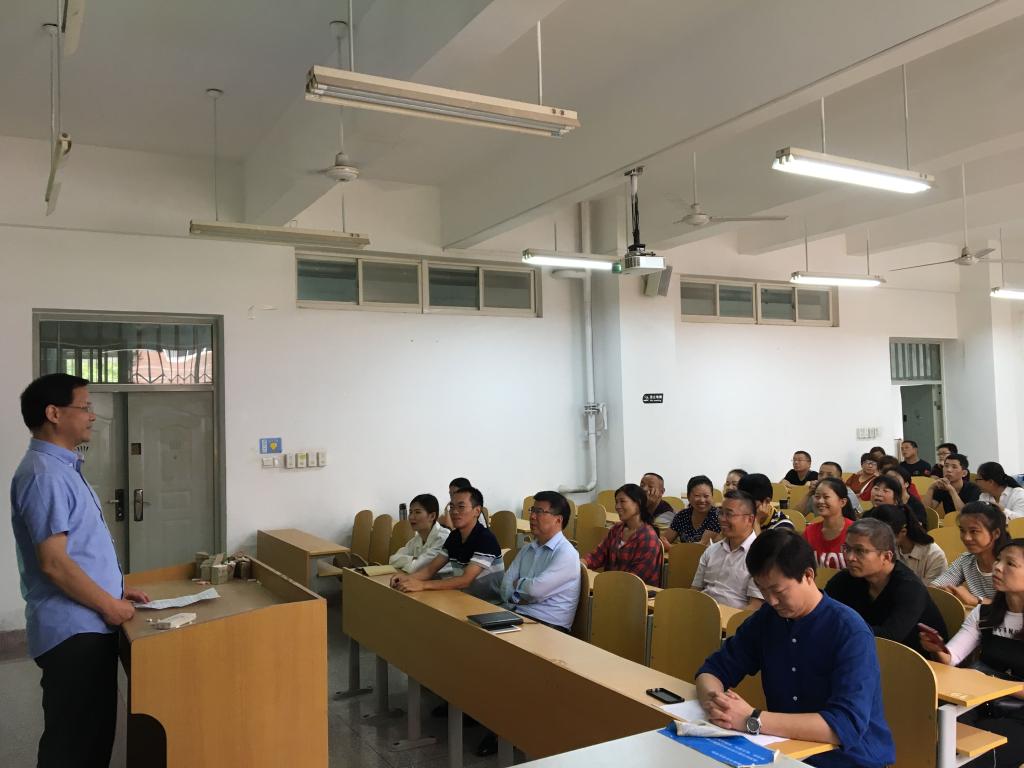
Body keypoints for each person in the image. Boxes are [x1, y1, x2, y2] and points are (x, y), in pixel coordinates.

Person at [10, 374, 151, 768]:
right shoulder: (45, 474)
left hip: (86, 622)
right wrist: (108, 604)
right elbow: (54, 563)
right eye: (85, 407)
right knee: (74, 747)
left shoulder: (63, 468)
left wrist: (114, 590)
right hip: (74, 631)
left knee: (91, 739)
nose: (92, 416)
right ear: (54, 414)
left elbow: (79, 550)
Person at [695, 529, 896, 768]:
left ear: (808, 575)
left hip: (849, 760)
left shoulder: (850, 631)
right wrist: (718, 704)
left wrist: (752, 718)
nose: (771, 600)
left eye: (778, 591)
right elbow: (712, 671)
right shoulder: (767, 619)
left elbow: (844, 726)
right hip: (787, 751)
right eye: (762, 590)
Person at [920, 538, 1024, 768]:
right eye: (998, 560)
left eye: (1010, 563)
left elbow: (982, 680)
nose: (997, 567)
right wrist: (938, 650)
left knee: (973, 759)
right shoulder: (984, 613)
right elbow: (952, 658)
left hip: (1018, 715)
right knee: (932, 742)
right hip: (980, 703)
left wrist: (990, 683)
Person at [824, 518, 947, 654]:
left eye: (860, 551)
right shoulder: (845, 579)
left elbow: (890, 637)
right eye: (847, 548)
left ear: (886, 557)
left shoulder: (910, 588)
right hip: (861, 651)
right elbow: (821, 611)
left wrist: (837, 629)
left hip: (911, 660)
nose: (849, 557)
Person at [391, 486, 503, 600]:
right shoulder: (454, 537)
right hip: (463, 598)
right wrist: (407, 578)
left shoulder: (485, 538)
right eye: (452, 507)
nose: (454, 511)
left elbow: (465, 580)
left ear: (477, 511)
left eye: (461, 507)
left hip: (489, 604)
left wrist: (422, 585)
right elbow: (430, 570)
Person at [499, 491, 581, 631]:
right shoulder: (527, 549)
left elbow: (535, 590)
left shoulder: (566, 553)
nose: (532, 516)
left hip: (548, 625)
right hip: (517, 615)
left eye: (539, 512)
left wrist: (518, 584)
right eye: (532, 510)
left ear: (558, 520)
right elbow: (505, 586)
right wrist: (521, 596)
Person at [692, 491, 764, 610]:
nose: (722, 519)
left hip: (735, 619)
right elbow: (695, 591)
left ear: (750, 519)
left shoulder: (760, 556)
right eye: (721, 513)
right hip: (702, 613)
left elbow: (755, 606)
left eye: (729, 514)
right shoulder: (712, 550)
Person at [932, 501, 1010, 607]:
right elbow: (935, 587)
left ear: (996, 533)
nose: (966, 538)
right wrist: (944, 592)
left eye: (974, 531)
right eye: (962, 530)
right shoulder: (966, 560)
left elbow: (1016, 607)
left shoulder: (1013, 565)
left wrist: (976, 600)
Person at [584, 483, 663, 586]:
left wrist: (607, 583)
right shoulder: (617, 529)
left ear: (638, 503)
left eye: (622, 501)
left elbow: (635, 577)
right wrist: (583, 563)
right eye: (616, 502)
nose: (617, 507)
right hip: (614, 586)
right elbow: (598, 555)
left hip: (636, 591)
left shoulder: (648, 537)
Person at [864, 503, 947, 583]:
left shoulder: (934, 555)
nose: (877, 542)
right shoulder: (889, 548)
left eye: (882, 537)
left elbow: (929, 591)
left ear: (903, 532)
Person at [389, 493, 451, 574]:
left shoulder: (443, 538)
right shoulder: (417, 539)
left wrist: (410, 563)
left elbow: (415, 569)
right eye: (410, 512)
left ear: (432, 516)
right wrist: (413, 559)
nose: (411, 517)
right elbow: (392, 560)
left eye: (417, 512)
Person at [804, 477, 854, 569]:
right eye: (817, 496)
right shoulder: (809, 531)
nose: (820, 501)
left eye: (826, 497)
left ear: (842, 502)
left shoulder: (855, 531)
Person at [661, 475, 721, 546]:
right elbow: (664, 540)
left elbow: (701, 546)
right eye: (697, 496)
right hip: (683, 553)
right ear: (688, 497)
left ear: (712, 496)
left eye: (706, 496)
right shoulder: (682, 515)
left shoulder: (717, 515)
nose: (702, 500)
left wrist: (671, 547)